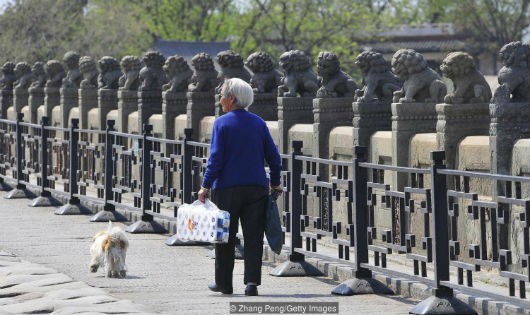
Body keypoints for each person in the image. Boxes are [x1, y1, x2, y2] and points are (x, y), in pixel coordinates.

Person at [198, 78, 282, 296]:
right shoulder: (258, 123)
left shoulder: (222, 123)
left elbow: (215, 160)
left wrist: (205, 186)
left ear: (231, 99)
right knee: (254, 237)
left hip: (226, 189)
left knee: (225, 236)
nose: (220, 99)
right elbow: (274, 157)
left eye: (222, 95)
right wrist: (275, 182)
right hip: (256, 188)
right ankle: (251, 283)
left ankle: (224, 283)